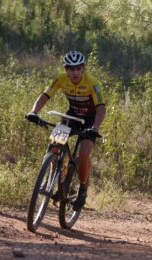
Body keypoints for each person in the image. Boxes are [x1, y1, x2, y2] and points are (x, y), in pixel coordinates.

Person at [26, 50, 106, 211]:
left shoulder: (92, 83)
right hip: (71, 117)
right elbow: (45, 95)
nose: (75, 72)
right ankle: (53, 179)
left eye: (78, 68)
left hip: (90, 121)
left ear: (83, 69)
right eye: (71, 69)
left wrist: (95, 128)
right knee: (54, 145)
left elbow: (101, 108)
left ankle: (82, 191)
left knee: (83, 155)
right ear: (66, 70)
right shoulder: (61, 79)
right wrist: (33, 112)